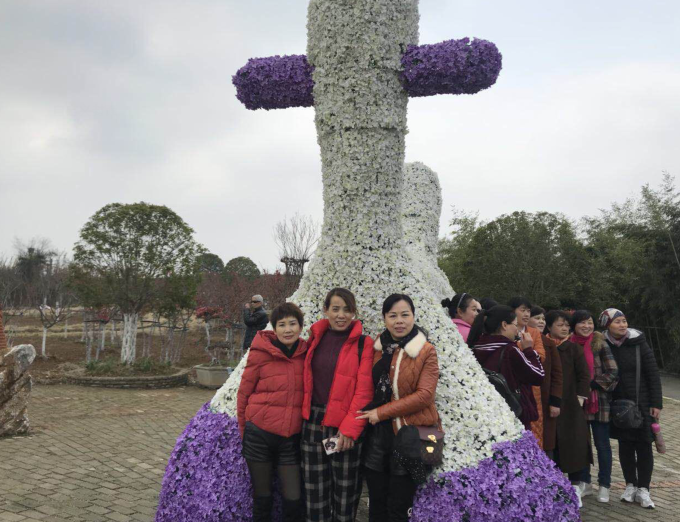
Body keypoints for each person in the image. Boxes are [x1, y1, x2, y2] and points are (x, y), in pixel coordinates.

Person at [358, 294, 440, 522]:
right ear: (384, 318)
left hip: (411, 435)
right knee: (377, 504)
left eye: (405, 315)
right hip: (378, 436)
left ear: (413, 316)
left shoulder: (426, 350)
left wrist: (381, 412)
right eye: (392, 315)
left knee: (399, 507)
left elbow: (425, 396)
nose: (399, 321)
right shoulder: (377, 348)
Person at [301, 288, 374, 522]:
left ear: (354, 312)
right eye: (335, 309)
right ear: (326, 310)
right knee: (315, 492)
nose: (341, 315)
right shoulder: (315, 339)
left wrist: (350, 430)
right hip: (313, 425)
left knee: (345, 494)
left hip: (343, 427)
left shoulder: (364, 343)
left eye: (347, 309)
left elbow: (364, 391)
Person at [237, 302, 308, 522]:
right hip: (259, 436)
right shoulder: (260, 353)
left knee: (293, 499)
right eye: (282, 324)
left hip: (290, 439)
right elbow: (244, 394)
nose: (288, 330)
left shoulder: (306, 354)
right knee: (263, 497)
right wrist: (244, 431)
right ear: (274, 328)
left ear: (300, 326)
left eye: (292, 324)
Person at [600, 308, 662, 509]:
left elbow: (653, 373)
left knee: (644, 445)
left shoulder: (638, 342)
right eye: (617, 322)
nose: (623, 325)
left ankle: (644, 489)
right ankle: (630, 485)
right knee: (625, 445)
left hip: (642, 402)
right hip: (618, 404)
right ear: (607, 325)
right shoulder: (602, 344)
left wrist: (656, 403)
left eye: (624, 321)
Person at [569, 310, 619, 503]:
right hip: (577, 402)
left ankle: (604, 485)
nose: (586, 326)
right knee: (581, 444)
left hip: (599, 402)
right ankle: (585, 482)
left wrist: (591, 385)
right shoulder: (569, 344)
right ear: (574, 325)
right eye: (582, 323)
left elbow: (613, 371)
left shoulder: (600, 343)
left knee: (602, 445)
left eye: (589, 322)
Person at [468, 305, 544, 430]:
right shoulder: (510, 350)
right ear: (504, 325)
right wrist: (529, 350)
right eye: (515, 325)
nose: (517, 330)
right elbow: (538, 376)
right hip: (513, 413)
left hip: (485, 413)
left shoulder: (475, 348)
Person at [545, 310, 592, 508]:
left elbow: (584, 376)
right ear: (549, 327)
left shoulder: (573, 348)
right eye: (560, 325)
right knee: (553, 445)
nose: (565, 328)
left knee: (575, 445)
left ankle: (575, 487)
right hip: (549, 404)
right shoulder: (544, 345)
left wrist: (580, 398)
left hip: (571, 405)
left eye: (567, 325)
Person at [509, 297, 546, 446]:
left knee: (535, 426)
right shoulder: (506, 330)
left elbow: (541, 356)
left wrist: (525, 349)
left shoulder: (533, 332)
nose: (526, 314)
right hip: (512, 384)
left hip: (532, 386)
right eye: (522, 310)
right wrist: (525, 349)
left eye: (528, 311)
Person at [531, 306, 563, 458]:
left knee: (547, 442)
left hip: (545, 398)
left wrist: (555, 401)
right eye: (537, 318)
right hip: (527, 397)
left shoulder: (549, 343)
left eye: (543, 319)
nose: (541, 322)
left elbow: (557, 374)